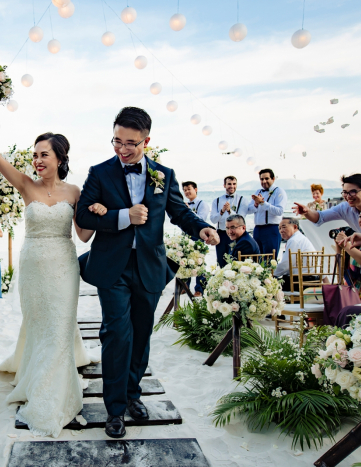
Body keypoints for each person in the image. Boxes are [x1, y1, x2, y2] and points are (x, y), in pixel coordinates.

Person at [76, 107, 218, 439]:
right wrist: (123, 215)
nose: (122, 149)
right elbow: (83, 215)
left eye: (130, 143)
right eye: (117, 141)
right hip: (113, 268)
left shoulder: (163, 174)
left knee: (141, 335)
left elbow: (179, 211)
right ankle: (113, 408)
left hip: (150, 267)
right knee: (116, 334)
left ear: (146, 141)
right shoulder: (99, 173)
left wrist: (203, 229)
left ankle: (132, 395)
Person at [0, 96, 107, 438]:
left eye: (43, 154)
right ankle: (38, 379)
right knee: (39, 324)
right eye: (34, 155)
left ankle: (58, 392)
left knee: (60, 327)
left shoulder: (75, 191)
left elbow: (84, 235)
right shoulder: (25, 185)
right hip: (32, 267)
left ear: (60, 158)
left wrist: (97, 214)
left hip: (64, 267)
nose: (36, 160)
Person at [293, 174, 361, 241]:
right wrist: (307, 212)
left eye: (352, 192)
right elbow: (320, 217)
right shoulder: (344, 208)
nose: (348, 197)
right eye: (345, 192)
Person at [210, 176, 249, 267]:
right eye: (229, 184)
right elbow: (213, 219)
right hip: (221, 234)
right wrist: (222, 211)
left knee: (235, 262)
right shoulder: (217, 201)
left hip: (236, 235)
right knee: (221, 261)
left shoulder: (242, 200)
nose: (232, 186)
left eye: (234, 184)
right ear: (224, 185)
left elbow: (241, 219)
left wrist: (230, 211)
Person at [247, 169, 287, 257]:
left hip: (272, 229)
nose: (264, 181)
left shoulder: (279, 191)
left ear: (273, 179)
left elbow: (279, 211)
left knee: (269, 259)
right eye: (262, 179)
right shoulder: (258, 192)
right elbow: (249, 210)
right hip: (257, 229)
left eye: (266, 178)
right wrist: (256, 204)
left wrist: (263, 203)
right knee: (256, 258)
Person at [274, 217, 317, 290]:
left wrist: (271, 274)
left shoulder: (294, 240)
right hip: (311, 279)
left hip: (301, 281)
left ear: (295, 227)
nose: (281, 231)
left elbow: (286, 264)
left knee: (268, 285)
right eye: (279, 228)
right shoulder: (300, 238)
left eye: (284, 227)